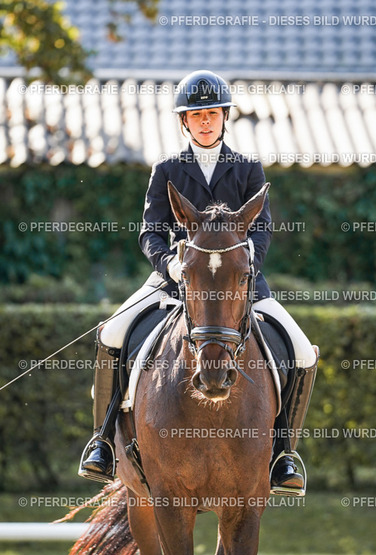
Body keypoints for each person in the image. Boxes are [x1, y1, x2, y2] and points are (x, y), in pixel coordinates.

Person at [79, 70, 319, 495]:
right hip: (175, 281)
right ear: (184, 122)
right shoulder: (167, 168)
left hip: (238, 285)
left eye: (212, 114)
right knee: (111, 333)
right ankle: (103, 442)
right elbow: (150, 231)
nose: (205, 122)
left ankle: (283, 453)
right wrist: (170, 264)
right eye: (196, 115)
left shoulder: (247, 168)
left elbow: (261, 229)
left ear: (224, 117)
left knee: (302, 352)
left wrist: (246, 267)